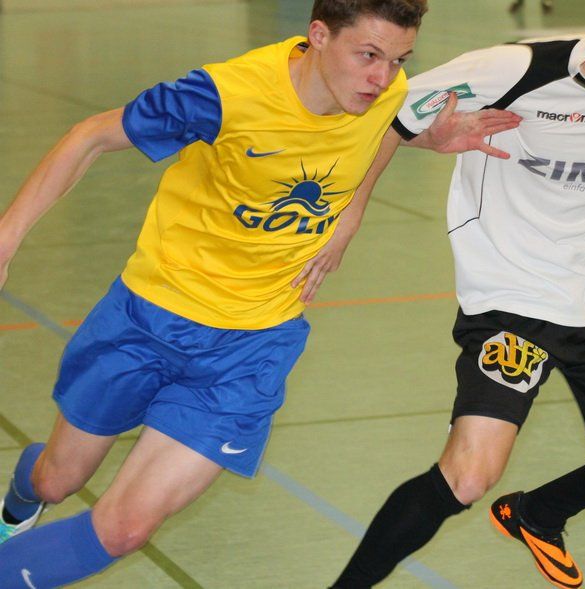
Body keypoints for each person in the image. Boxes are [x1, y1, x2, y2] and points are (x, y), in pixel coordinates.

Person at [0, 0, 521, 586]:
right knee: (56, 481)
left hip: (253, 346)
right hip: (149, 315)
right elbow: (89, 137)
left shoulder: (384, 90)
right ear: (318, 35)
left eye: (399, 59)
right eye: (369, 55)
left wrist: (415, 152)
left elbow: (380, 133)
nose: (383, 77)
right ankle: (25, 490)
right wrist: (6, 239)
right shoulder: (225, 95)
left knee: (124, 529)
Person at [331, 1, 585, 587]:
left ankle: (537, 513)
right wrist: (368, 197)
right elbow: (383, 112)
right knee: (467, 475)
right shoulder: (515, 70)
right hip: (512, 302)